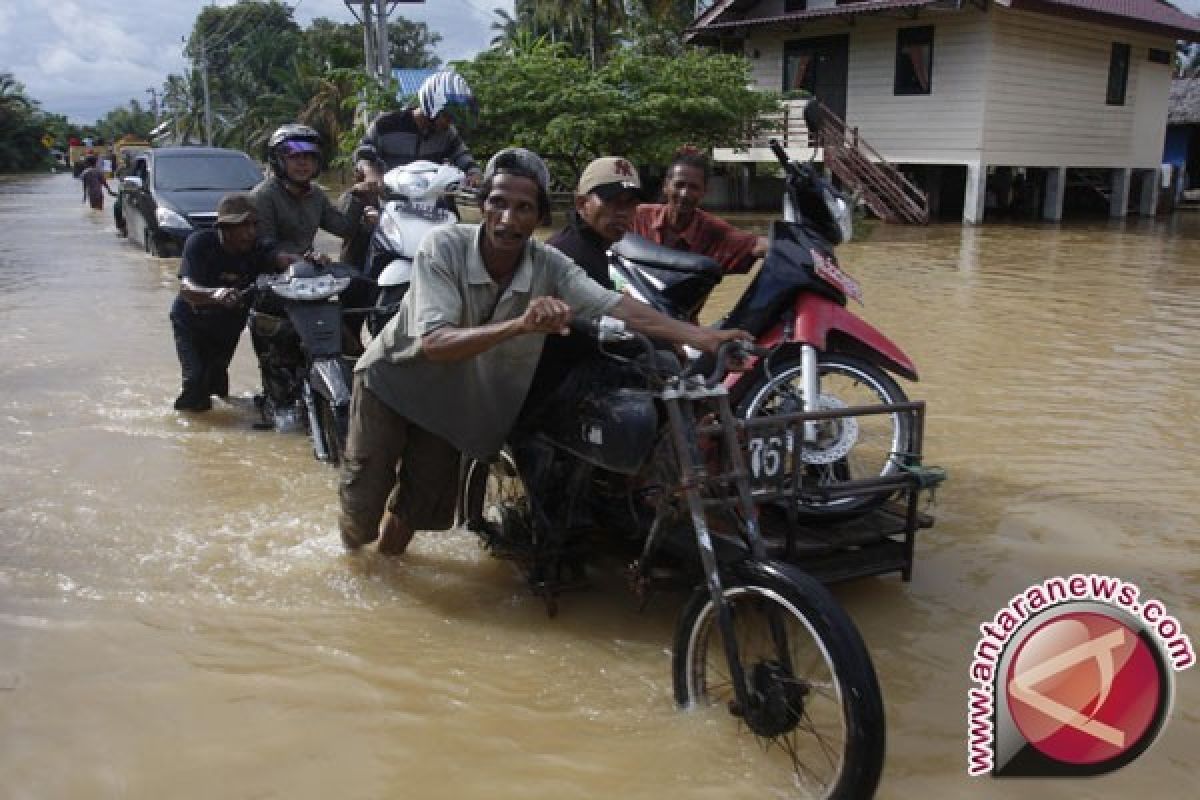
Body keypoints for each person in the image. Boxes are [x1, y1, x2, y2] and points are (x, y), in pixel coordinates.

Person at [338, 148, 748, 557]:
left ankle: (387, 573)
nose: (508, 219)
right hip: (393, 384)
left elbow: (617, 306)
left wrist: (704, 338)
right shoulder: (443, 246)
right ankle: (354, 570)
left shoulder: (551, 264)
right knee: (363, 507)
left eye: (523, 209)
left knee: (417, 508)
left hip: (450, 401)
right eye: (498, 203)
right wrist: (522, 325)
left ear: (539, 219)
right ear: (482, 206)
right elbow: (435, 343)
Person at [521, 156, 645, 422]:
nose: (622, 213)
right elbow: (615, 319)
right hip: (547, 392)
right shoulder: (572, 253)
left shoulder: (587, 245)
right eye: (612, 202)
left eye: (630, 204)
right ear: (581, 204)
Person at [169, 193, 293, 412]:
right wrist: (214, 294)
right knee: (195, 382)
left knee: (217, 384)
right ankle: (189, 430)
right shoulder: (200, 243)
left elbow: (283, 259)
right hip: (191, 322)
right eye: (243, 226)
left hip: (228, 325)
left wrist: (309, 261)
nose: (250, 233)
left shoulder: (258, 247)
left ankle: (217, 427)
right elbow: (186, 288)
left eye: (254, 225)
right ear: (224, 228)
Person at [632, 147, 768, 275]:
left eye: (694, 187)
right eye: (679, 185)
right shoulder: (638, 216)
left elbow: (758, 245)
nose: (685, 193)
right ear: (666, 186)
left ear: (704, 192)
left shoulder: (714, 231)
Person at [353, 70, 483, 192]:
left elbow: (462, 156)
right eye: (447, 116)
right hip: (389, 200)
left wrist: (474, 174)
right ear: (431, 105)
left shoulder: (447, 133)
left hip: (433, 202)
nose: (450, 122)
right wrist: (370, 172)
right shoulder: (386, 124)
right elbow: (362, 153)